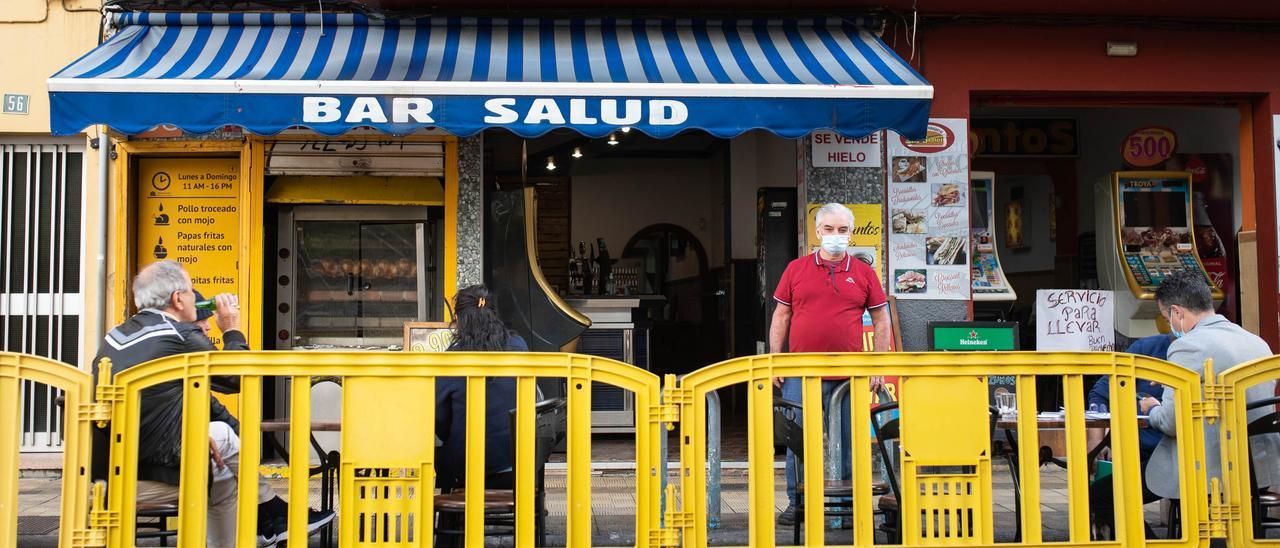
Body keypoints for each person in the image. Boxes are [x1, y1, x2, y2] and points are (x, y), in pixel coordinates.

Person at [91, 261, 333, 547]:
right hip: (146, 474)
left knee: (223, 481)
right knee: (223, 434)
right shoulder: (179, 335)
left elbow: (154, 407)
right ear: (178, 299)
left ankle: (269, 520)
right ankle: (273, 511)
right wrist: (231, 329)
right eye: (191, 291)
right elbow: (236, 377)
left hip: (104, 472)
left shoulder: (117, 335)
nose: (195, 297)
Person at [769, 203, 891, 526]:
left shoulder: (864, 273)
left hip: (848, 376)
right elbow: (781, 316)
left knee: (849, 441)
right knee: (799, 442)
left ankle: (847, 507)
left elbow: (881, 320)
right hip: (800, 373)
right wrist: (776, 361)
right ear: (818, 232)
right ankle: (798, 504)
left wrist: (878, 365)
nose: (836, 236)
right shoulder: (796, 269)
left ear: (851, 233)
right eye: (829, 229)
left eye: (842, 230)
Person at [1140, 271, 1280, 504]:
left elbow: (1170, 423)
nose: (1169, 326)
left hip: (1210, 469)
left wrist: (1153, 408)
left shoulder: (1187, 346)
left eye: (1167, 319)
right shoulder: (1257, 342)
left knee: (1105, 495)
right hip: (1259, 468)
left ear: (1177, 312)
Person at [434, 285, 528, 545]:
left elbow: (439, 421)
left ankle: (450, 536)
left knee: (444, 450)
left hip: (464, 470)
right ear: (494, 313)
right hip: (518, 466)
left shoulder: (453, 358)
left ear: (460, 320)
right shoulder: (518, 345)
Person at [1087, 333, 1171, 539]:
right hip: (1138, 452)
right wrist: (1097, 441)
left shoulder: (1201, 353)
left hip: (1176, 457)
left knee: (1101, 497)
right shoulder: (1146, 349)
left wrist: (1155, 410)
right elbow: (1100, 394)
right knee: (1100, 495)